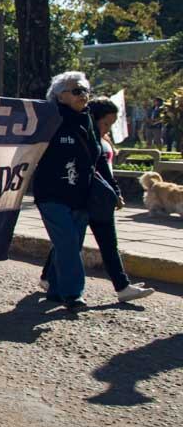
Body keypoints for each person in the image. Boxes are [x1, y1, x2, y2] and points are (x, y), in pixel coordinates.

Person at [38, 98, 155, 304]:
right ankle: (62, 286)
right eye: (105, 123)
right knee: (69, 241)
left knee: (90, 242)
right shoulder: (81, 135)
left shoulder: (98, 140)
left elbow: (104, 168)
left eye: (111, 124)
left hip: (96, 197)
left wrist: (115, 191)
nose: (107, 128)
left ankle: (119, 285)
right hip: (82, 197)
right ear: (94, 118)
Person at [33, 72, 103, 312]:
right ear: (60, 96)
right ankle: (74, 294)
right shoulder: (48, 119)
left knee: (70, 244)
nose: (83, 95)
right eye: (76, 91)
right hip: (52, 194)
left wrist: (112, 186)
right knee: (68, 242)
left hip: (80, 196)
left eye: (85, 90)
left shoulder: (87, 119)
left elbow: (97, 156)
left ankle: (54, 288)